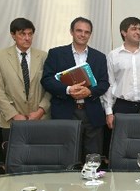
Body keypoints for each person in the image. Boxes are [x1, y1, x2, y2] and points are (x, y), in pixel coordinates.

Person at [41, 17, 110, 159]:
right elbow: (46, 80)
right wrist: (68, 90)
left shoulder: (100, 57)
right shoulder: (56, 54)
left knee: (93, 158)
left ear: (90, 34)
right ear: (71, 32)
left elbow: (104, 83)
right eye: (79, 30)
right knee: (66, 157)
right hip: (65, 112)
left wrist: (89, 91)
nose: (82, 34)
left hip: (92, 113)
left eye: (87, 32)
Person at [0, 18, 51, 144]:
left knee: (41, 160)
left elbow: (50, 88)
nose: (27, 38)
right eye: (22, 34)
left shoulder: (44, 57)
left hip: (40, 120)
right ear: (13, 35)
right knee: (14, 162)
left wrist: (41, 111)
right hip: (11, 122)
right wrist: (14, 115)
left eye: (30, 34)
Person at [102, 17, 140, 129]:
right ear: (123, 32)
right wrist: (108, 112)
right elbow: (110, 84)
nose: (138, 32)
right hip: (123, 107)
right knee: (123, 144)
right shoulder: (113, 55)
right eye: (134, 29)